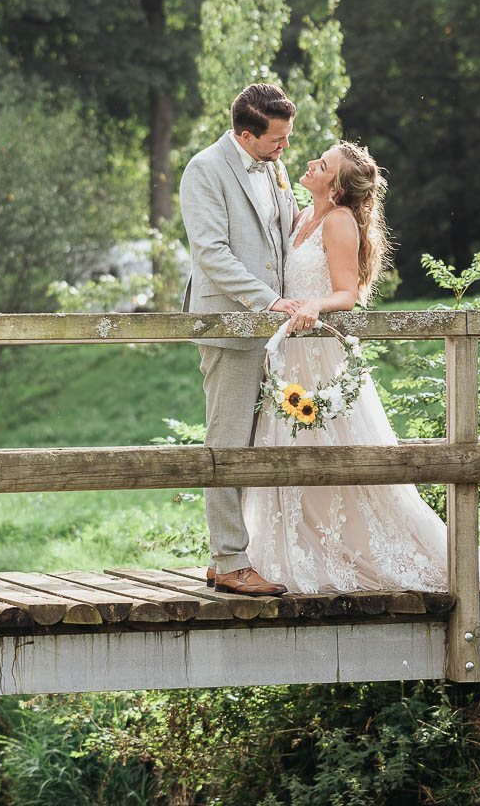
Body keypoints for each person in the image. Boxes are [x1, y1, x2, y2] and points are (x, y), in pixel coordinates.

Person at [242, 141, 480, 592]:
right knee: (290, 457)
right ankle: (298, 552)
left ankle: (366, 554)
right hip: (292, 357)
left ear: (337, 188)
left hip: (320, 356)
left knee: (338, 458)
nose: (310, 164)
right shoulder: (303, 216)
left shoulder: (338, 221)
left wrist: (313, 307)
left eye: (321, 165)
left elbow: (347, 293)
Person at [179, 83, 301, 595]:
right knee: (227, 443)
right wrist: (268, 301)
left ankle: (241, 554)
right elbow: (211, 253)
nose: (286, 148)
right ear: (245, 135)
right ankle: (229, 562)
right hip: (231, 324)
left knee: (264, 442)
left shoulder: (272, 165)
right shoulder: (204, 169)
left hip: (278, 330)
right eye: (277, 140)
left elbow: (282, 235)